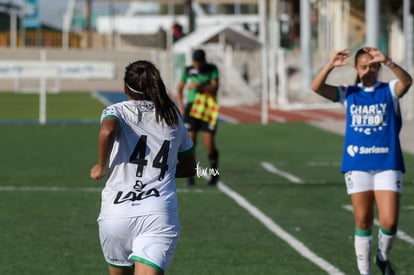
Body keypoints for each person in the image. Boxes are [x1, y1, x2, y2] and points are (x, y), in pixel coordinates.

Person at [311, 47, 412, 275]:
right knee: (362, 219)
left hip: (387, 163)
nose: (369, 70)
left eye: (373, 66)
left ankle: (383, 257)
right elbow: (316, 87)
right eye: (364, 66)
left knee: (389, 222)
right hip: (357, 165)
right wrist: (329, 65)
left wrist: (389, 61)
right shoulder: (350, 92)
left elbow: (407, 82)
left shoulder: (389, 90)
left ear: (378, 68)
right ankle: (364, 272)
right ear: (356, 68)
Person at [90, 60, 196, 275]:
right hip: (157, 214)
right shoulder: (172, 114)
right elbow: (189, 168)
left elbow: (107, 131)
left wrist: (101, 167)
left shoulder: (116, 110)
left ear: (124, 88)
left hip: (115, 214)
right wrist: (161, 172)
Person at [176, 49, 220, 186]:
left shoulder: (212, 69)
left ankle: (214, 174)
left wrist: (200, 85)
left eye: (199, 64)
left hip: (206, 109)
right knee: (191, 143)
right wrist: (181, 106)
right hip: (191, 108)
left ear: (203, 61)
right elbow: (179, 88)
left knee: (209, 144)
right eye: (195, 63)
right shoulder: (188, 70)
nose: (197, 66)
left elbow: (215, 88)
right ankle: (190, 174)